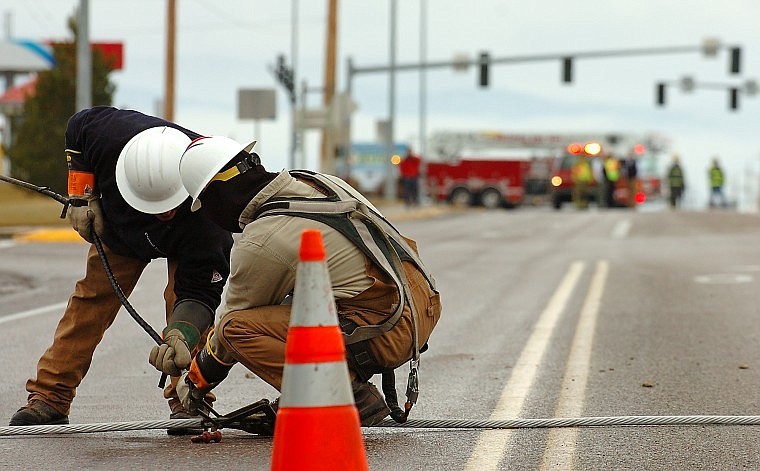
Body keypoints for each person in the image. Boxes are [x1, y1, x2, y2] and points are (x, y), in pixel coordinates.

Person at [145, 136, 442, 427]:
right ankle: (332, 388)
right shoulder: (315, 183)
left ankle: (346, 396)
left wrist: (194, 380)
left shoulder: (263, 239)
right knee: (296, 297)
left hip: (388, 329)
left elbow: (228, 330)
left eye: (206, 206)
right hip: (419, 303)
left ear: (217, 195)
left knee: (236, 328)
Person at [9, 107, 233, 433]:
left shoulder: (211, 209)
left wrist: (181, 333)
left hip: (191, 235)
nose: (164, 214)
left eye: (169, 207)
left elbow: (200, 293)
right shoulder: (107, 134)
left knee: (181, 310)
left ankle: (189, 397)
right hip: (121, 229)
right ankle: (50, 398)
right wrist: (81, 196)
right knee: (91, 303)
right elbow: (76, 129)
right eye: (156, 208)